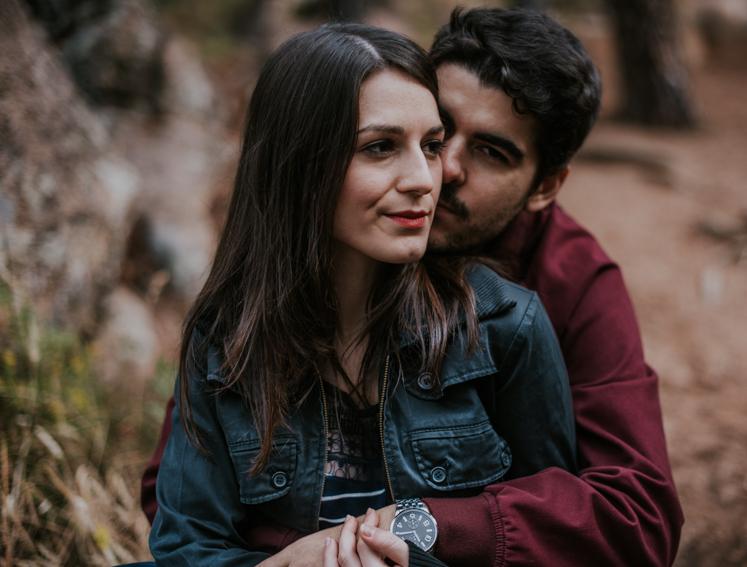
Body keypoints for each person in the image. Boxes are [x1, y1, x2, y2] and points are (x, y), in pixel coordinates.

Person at [143, 8, 685, 567]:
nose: (438, 173)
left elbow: (631, 518)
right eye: (438, 133)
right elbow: (182, 506)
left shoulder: (545, 299)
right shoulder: (240, 320)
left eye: (490, 151)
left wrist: (405, 530)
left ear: (544, 187)